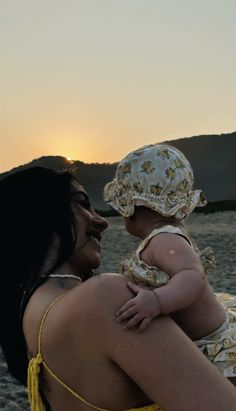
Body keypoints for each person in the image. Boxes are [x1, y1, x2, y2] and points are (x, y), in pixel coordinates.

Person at [1, 166, 236, 411]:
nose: (101, 221)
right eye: (81, 204)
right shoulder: (104, 298)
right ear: (37, 214)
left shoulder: (30, 318)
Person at [104, 143, 236, 381]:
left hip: (215, 344)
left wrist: (157, 301)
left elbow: (192, 276)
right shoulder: (166, 236)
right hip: (204, 338)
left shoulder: (164, 239)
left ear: (131, 207)